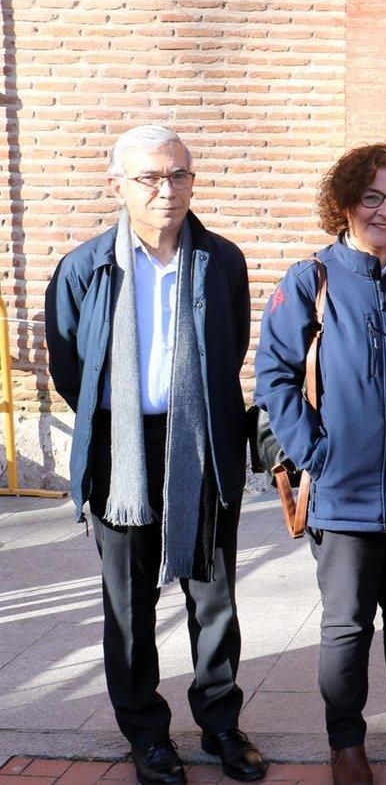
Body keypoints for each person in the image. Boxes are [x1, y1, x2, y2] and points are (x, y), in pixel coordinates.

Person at [45, 125, 267, 785]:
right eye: (149, 177)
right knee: (128, 602)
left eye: (178, 175)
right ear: (118, 185)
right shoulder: (85, 267)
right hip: (121, 450)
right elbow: (69, 367)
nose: (165, 189)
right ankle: (146, 734)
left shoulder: (221, 261)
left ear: (192, 181)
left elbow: (229, 348)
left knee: (214, 593)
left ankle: (221, 723)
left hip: (199, 439)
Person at [255, 144, 386, 785]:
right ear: (347, 202)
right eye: (373, 197)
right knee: (347, 625)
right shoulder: (309, 282)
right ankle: (345, 741)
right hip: (343, 496)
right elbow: (275, 379)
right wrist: (315, 453)